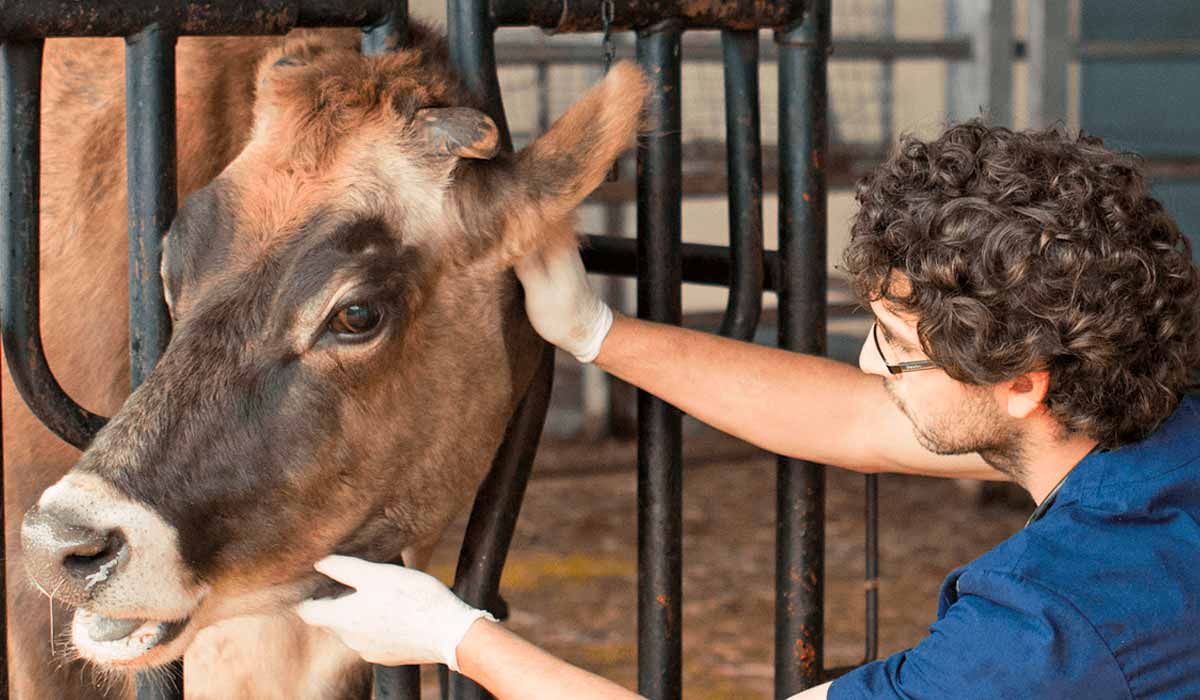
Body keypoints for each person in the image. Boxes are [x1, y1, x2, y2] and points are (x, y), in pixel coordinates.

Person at [295, 121, 1200, 699]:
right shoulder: (1154, 427)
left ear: (1021, 385)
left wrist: (456, 640)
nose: (866, 361)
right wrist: (596, 333)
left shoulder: (1042, 632)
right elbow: (858, 421)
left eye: (894, 344)